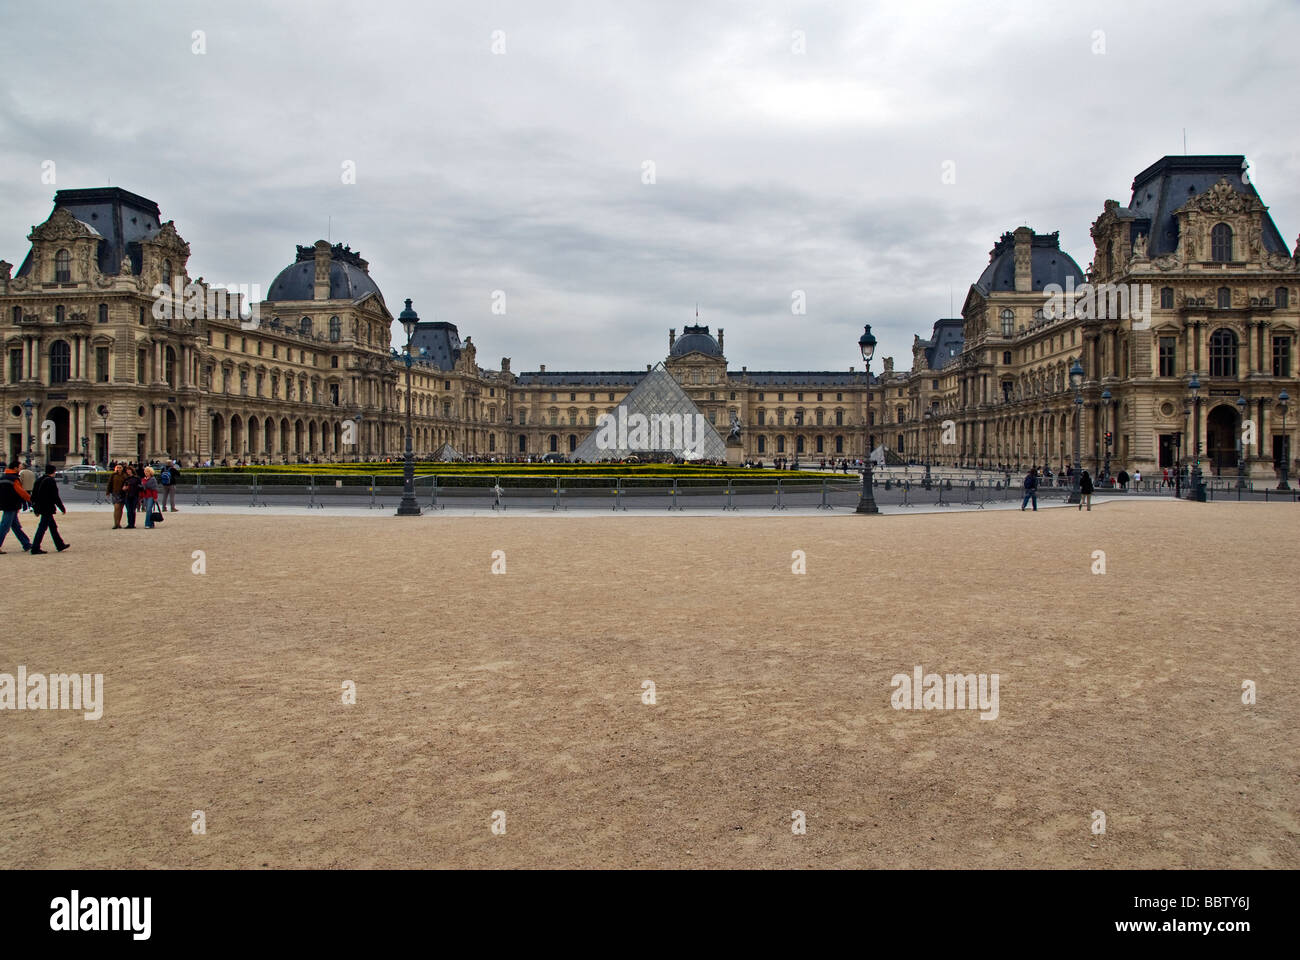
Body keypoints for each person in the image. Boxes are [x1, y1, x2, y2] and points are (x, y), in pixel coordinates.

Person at [29, 465, 69, 553]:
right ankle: (35, 548)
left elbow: (33, 496)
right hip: (47, 507)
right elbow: (55, 496)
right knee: (42, 527)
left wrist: (35, 508)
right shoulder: (51, 481)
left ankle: (60, 545)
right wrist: (62, 507)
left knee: (53, 527)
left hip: (41, 507)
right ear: (54, 471)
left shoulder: (39, 480)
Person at [0, 460, 32, 554]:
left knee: (16, 526)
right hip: (12, 505)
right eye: (20, 466)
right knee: (5, 526)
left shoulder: (3, 477)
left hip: (6, 504)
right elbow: (21, 492)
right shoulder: (14, 479)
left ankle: (26, 544)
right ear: (15, 468)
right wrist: (31, 500)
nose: (21, 468)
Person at [107, 462, 126, 528]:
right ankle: (116, 523)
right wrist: (108, 492)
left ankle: (118, 523)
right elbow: (110, 483)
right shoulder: (113, 475)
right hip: (115, 493)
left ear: (122, 468)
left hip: (123, 493)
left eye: (120, 468)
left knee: (120, 509)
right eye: (117, 468)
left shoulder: (125, 475)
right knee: (116, 508)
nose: (119, 469)